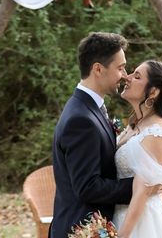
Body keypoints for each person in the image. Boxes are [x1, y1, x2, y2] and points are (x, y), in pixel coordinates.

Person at [50, 32, 139, 238]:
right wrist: (139, 186)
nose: (125, 75)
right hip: (81, 230)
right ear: (98, 69)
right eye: (120, 68)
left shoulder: (89, 107)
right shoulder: (80, 120)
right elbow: (88, 187)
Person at [113, 60, 162, 238]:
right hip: (119, 214)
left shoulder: (158, 132)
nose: (127, 78)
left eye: (137, 76)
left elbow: (142, 191)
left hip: (141, 224)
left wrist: (123, 235)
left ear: (153, 92)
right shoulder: (137, 124)